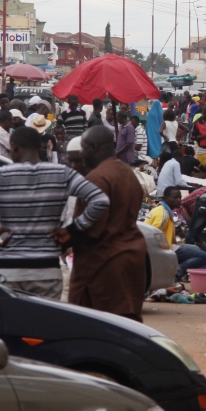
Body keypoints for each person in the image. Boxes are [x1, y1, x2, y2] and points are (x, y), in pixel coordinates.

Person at [0, 126, 110, 300]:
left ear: (14, 147)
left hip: (8, 271)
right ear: (41, 147)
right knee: (45, 317)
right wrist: (72, 230)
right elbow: (100, 201)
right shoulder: (62, 174)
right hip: (47, 272)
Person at [65, 126, 149, 321]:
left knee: (95, 328)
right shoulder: (128, 174)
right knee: (126, 327)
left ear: (94, 148)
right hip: (132, 260)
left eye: (84, 148)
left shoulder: (96, 178)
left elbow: (89, 230)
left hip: (103, 266)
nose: (82, 155)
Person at [147, 187, 206, 280]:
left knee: (195, 248)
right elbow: (153, 234)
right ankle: (173, 274)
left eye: (180, 197)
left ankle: (173, 269)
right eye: (175, 197)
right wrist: (164, 253)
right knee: (203, 257)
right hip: (160, 250)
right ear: (166, 198)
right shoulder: (162, 214)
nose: (179, 200)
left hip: (169, 245)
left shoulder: (161, 210)